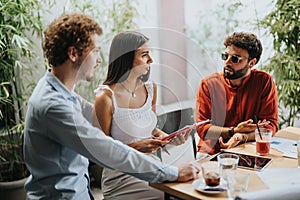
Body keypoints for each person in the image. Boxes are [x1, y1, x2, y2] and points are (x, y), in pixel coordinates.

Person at [23, 13, 199, 199]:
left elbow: (106, 119)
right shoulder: (53, 105)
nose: (99, 60)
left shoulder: (62, 94)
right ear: (73, 54)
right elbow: (106, 150)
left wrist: (164, 137)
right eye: (96, 51)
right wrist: (173, 172)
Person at [92, 31, 190, 199]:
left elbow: (151, 130)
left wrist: (168, 138)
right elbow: (99, 154)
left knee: (189, 187)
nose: (151, 60)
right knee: (176, 194)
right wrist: (137, 147)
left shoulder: (150, 88)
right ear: (126, 58)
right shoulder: (105, 97)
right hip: (121, 178)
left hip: (150, 168)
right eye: (144, 55)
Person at [195, 32, 278, 155]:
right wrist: (233, 131)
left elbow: (270, 126)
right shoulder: (208, 84)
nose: (227, 62)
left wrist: (241, 137)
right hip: (212, 152)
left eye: (235, 59)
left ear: (251, 63)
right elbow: (203, 129)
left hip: (248, 148)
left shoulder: (264, 82)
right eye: (225, 56)